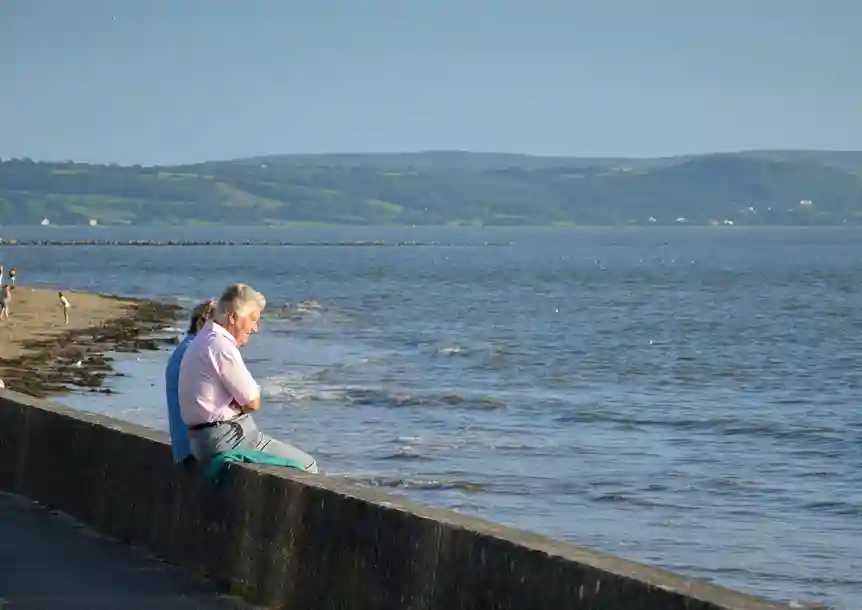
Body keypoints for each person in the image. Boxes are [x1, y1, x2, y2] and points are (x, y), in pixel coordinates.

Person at [178, 283, 318, 472]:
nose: (255, 328)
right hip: (227, 437)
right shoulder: (221, 347)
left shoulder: (202, 339)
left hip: (201, 438)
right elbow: (252, 402)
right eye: (252, 320)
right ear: (233, 317)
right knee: (308, 466)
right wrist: (238, 403)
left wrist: (234, 402)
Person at [164, 299, 216, 464]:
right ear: (201, 323)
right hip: (194, 446)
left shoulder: (185, 348)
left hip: (183, 444)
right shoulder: (194, 352)